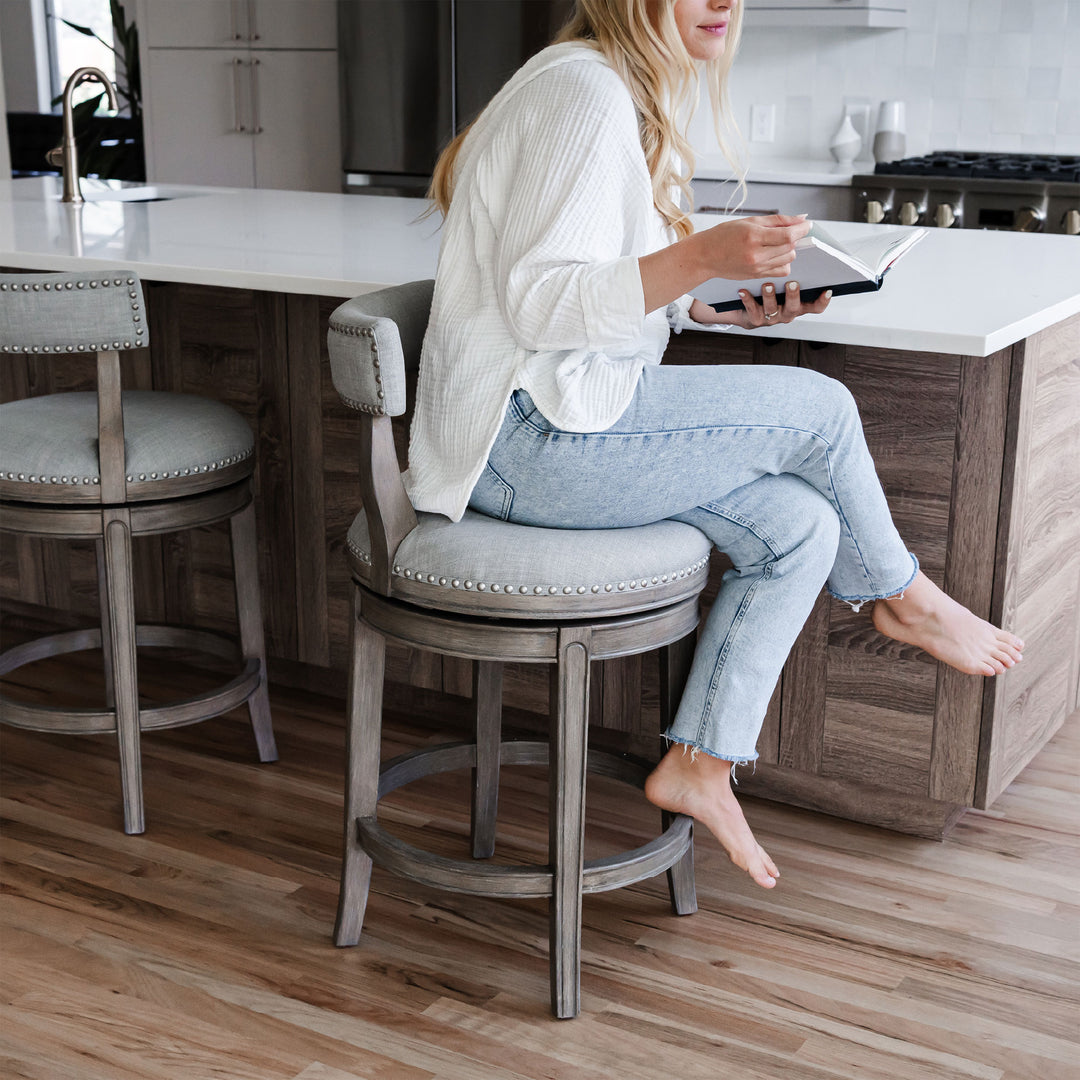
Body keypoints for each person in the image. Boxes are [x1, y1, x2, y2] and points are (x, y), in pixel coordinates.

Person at [405, 0, 1024, 889]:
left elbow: (606, 283)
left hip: (555, 424)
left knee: (803, 527)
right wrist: (703, 256)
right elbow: (541, 303)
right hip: (524, 440)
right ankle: (902, 595)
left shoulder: (616, 90)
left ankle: (700, 763)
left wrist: (716, 303)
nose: (726, 2)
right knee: (820, 409)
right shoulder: (584, 91)